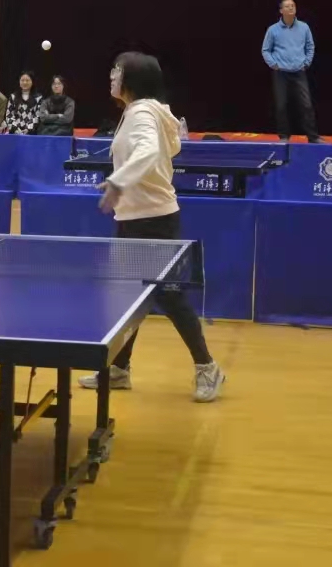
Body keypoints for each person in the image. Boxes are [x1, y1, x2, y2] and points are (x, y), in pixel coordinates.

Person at [79, 51, 225, 403]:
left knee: (170, 296)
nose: (111, 76)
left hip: (154, 221)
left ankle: (208, 368)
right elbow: (167, 147)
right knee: (129, 297)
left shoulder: (143, 112)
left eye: (117, 71)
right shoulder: (140, 110)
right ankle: (119, 369)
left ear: (133, 78)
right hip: (132, 219)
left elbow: (148, 151)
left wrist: (119, 181)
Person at [261, 0, 322, 143]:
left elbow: (310, 46)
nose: (291, 8)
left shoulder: (304, 27)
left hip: (299, 72)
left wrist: (306, 63)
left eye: (293, 5)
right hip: (281, 72)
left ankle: (313, 137)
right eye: (287, 6)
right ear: (281, 10)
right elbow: (265, 50)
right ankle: (284, 136)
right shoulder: (273, 29)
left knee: (306, 105)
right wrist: (273, 64)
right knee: (281, 105)